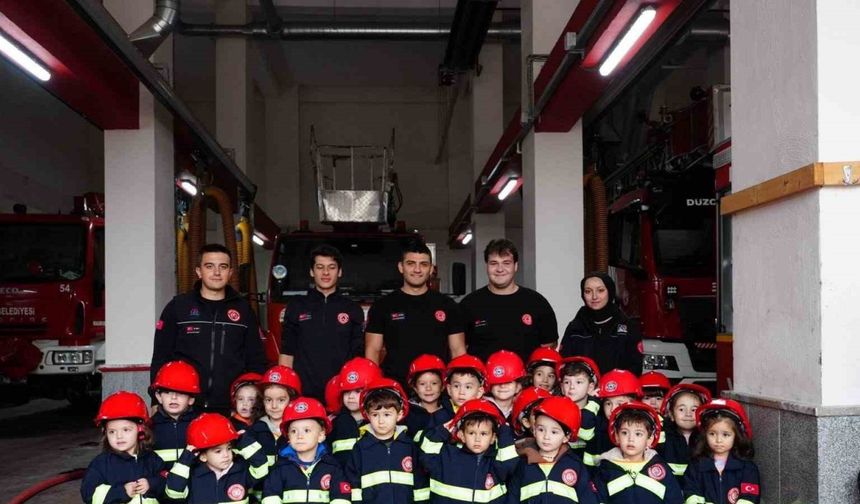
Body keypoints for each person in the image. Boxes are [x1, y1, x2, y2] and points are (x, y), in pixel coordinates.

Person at [151, 243, 266, 412]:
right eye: (209, 266)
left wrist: (253, 401)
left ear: (231, 272)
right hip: (184, 406)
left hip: (231, 407)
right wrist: (155, 399)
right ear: (199, 271)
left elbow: (256, 359)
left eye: (223, 267)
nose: (217, 272)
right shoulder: (178, 307)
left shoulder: (244, 310)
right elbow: (161, 357)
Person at [365, 240, 466, 384]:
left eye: (423, 264)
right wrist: (374, 387)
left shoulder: (448, 305)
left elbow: (458, 351)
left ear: (431, 269)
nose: (417, 270)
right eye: (411, 263)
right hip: (395, 388)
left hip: (437, 389)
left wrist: (459, 386)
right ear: (401, 267)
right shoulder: (383, 306)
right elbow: (373, 351)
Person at [280, 245, 365, 401]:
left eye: (331, 267)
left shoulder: (352, 308)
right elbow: (287, 352)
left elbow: (358, 356)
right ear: (312, 271)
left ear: (339, 271)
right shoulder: (296, 306)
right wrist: (285, 389)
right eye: (320, 267)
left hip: (342, 393)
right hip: (303, 392)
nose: (326, 273)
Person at [459, 239, 558, 361]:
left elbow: (548, 347)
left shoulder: (537, 302)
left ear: (516, 266)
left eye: (506, 263)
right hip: (482, 379)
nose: (500, 269)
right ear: (487, 266)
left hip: (526, 379)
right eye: (494, 263)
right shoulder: (469, 304)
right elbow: (460, 349)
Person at [344, 379, 429, 504]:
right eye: (375, 415)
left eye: (387, 414)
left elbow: (421, 485)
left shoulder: (410, 446)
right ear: (367, 415)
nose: (381, 421)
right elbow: (354, 485)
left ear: (399, 415)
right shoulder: (361, 448)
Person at [418, 399, 517, 504]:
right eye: (471, 433)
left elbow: (510, 465)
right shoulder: (447, 455)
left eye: (483, 434)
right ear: (461, 435)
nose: (477, 439)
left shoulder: (497, 461)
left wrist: (504, 431)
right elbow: (426, 456)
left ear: (493, 438)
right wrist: (445, 429)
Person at [509, 396, 599, 504]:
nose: (546, 436)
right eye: (541, 429)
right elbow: (512, 498)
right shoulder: (522, 464)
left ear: (566, 437)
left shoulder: (575, 465)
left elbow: (588, 499)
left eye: (554, 432)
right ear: (534, 430)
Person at [263, 398, 352, 504]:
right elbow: (270, 498)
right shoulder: (280, 468)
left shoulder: (332, 467)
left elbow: (341, 499)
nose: (299, 436)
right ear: (288, 437)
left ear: (321, 435)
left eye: (306, 430)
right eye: (294, 431)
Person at [81, 391, 165, 503]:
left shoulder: (152, 459)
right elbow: (88, 494)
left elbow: (167, 483)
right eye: (112, 432)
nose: (119, 436)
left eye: (126, 430)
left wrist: (151, 484)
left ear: (141, 430)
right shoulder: (100, 464)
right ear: (105, 433)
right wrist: (122, 492)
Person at [165, 413, 268, 502]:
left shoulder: (240, 470)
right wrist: (185, 459)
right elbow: (174, 493)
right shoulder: (194, 475)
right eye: (218, 451)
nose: (226, 455)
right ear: (203, 456)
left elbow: (261, 468)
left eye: (228, 448)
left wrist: (244, 442)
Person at [593, 402, 682, 503]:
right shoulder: (606, 470)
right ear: (616, 436)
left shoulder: (661, 469)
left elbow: (675, 500)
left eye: (638, 434)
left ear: (649, 440)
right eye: (625, 433)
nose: (631, 439)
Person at [558, 272, 642, 375]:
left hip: (618, 389)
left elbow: (635, 368)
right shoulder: (575, 327)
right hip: (581, 389)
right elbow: (564, 365)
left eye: (600, 290)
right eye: (588, 291)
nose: (594, 296)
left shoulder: (627, 327)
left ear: (610, 292)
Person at [683, 399, 760, 504]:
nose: (718, 440)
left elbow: (750, 498)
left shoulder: (747, 468)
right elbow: (691, 493)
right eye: (712, 434)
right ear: (704, 435)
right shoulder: (696, 466)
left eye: (725, 434)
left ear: (736, 436)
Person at [328, 357, 382, 466]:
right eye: (347, 392)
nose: (351, 397)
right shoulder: (335, 424)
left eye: (358, 391)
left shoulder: (381, 421)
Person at [586, 369, 644, 467]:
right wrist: (592, 401)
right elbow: (584, 429)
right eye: (608, 403)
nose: (612, 409)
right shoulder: (596, 424)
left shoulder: (641, 427)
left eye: (619, 403)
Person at [150, 360, 202, 468]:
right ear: (159, 397)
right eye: (167, 392)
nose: (174, 397)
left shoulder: (201, 425)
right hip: (161, 484)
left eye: (181, 392)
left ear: (191, 399)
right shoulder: (149, 428)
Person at [250, 365, 303, 468]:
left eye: (281, 400)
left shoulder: (301, 430)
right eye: (268, 400)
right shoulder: (255, 430)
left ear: (293, 400)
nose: (274, 406)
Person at [659, 383, 712, 481]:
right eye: (681, 409)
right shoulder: (662, 436)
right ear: (671, 414)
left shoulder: (708, 437)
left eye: (694, 410)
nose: (688, 414)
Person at [556, 356, 601, 459]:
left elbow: (586, 433)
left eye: (579, 382)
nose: (571, 387)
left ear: (590, 387)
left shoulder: (598, 411)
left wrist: (594, 403)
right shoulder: (555, 411)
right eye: (567, 382)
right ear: (562, 388)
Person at [428, 354, 486, 428]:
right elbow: (421, 438)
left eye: (468, 387)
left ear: (479, 392)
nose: (461, 392)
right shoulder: (439, 417)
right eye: (456, 386)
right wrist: (442, 432)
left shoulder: (487, 416)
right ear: (449, 389)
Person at [404, 354, 446, 438]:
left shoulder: (449, 412)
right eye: (422, 384)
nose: (428, 388)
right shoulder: (407, 414)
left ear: (442, 386)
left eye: (434, 383)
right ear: (415, 388)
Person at [484, 349, 526, 420]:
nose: (502, 386)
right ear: (490, 386)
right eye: (497, 382)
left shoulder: (521, 410)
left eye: (508, 382)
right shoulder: (482, 406)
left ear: (518, 386)